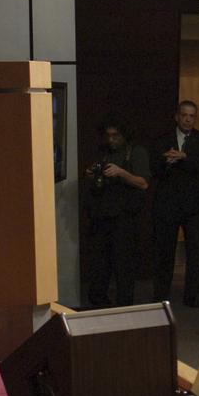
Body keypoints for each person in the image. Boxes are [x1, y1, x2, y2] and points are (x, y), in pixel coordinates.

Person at [150, 101, 199, 307]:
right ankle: (161, 296)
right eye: (184, 115)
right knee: (164, 252)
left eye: (191, 116)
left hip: (193, 205)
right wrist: (167, 161)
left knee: (195, 252)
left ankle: (192, 296)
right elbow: (154, 169)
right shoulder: (163, 139)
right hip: (167, 204)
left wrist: (185, 157)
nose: (187, 119)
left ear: (195, 118)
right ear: (177, 116)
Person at [84, 120, 150, 308]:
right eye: (108, 136)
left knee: (124, 265)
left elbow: (143, 183)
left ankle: (124, 304)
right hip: (102, 215)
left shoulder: (136, 153)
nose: (111, 139)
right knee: (100, 263)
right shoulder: (104, 153)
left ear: (124, 135)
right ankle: (99, 301)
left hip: (125, 217)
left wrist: (121, 173)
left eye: (115, 136)